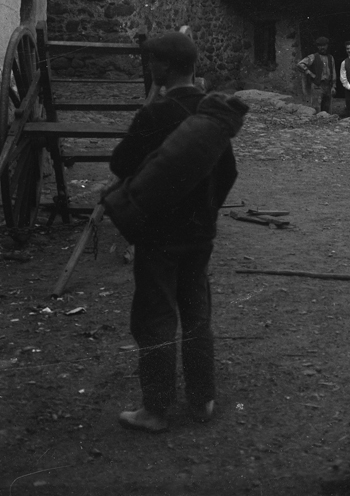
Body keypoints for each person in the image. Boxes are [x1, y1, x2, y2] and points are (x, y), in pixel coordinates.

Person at [109, 31, 237, 433]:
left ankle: (156, 409)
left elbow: (120, 164)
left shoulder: (154, 114)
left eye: (152, 63)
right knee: (197, 314)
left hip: (159, 233)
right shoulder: (211, 114)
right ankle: (202, 401)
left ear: (163, 67)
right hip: (201, 232)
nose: (150, 69)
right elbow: (229, 171)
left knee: (156, 316)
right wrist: (206, 209)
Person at [297, 36, 335, 112]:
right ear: (318, 47)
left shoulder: (330, 58)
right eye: (320, 46)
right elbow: (300, 64)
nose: (322, 47)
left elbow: (333, 73)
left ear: (327, 46)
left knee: (327, 109)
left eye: (324, 45)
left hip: (328, 86)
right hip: (317, 86)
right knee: (316, 108)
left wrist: (334, 86)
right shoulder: (313, 57)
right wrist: (309, 73)